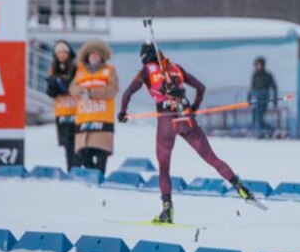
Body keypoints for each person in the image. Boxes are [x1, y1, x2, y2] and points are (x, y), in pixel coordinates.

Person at [118, 42, 257, 223]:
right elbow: (201, 88)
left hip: (167, 120)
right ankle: (240, 186)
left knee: (164, 167)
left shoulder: (146, 71)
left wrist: (123, 112)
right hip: (186, 117)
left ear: (144, 57)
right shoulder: (176, 68)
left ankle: (167, 209)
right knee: (211, 157)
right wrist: (194, 108)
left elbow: (127, 94)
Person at [70, 40, 118, 174]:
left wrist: (93, 92)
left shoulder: (109, 71)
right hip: (84, 120)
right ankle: (91, 176)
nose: (94, 57)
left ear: (102, 56)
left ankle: (99, 178)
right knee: (84, 153)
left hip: (102, 119)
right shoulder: (80, 71)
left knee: (102, 153)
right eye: (92, 54)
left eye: (97, 54)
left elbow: (113, 90)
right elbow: (72, 89)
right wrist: (81, 91)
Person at [46, 40, 79, 170]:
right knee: (67, 145)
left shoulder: (76, 67)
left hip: (76, 112)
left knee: (78, 144)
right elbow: (51, 92)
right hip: (62, 112)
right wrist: (55, 83)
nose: (62, 55)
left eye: (64, 52)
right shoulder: (53, 69)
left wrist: (60, 82)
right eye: (59, 52)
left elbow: (73, 87)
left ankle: (76, 168)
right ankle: (70, 169)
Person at [248, 56, 278, 138]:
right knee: (255, 118)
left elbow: (274, 87)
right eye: (256, 65)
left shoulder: (267, 75)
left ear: (263, 65)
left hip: (263, 98)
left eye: (258, 65)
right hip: (255, 98)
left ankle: (261, 133)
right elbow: (252, 88)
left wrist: (275, 100)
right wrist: (249, 99)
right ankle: (269, 129)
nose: (257, 67)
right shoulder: (255, 75)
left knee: (259, 117)